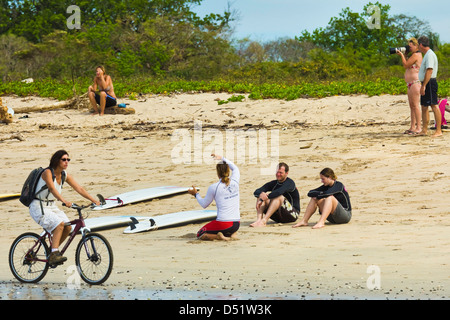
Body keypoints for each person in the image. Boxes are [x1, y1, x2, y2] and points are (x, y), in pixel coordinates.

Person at [29, 150, 100, 265]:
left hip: (51, 206)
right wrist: (64, 201)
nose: (67, 162)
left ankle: (52, 251)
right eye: (64, 159)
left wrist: (93, 200)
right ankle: (54, 253)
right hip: (38, 206)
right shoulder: (47, 172)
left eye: (68, 159)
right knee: (59, 224)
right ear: (57, 161)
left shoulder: (64, 175)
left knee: (68, 228)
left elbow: (79, 188)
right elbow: (52, 189)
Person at [188, 154, 240, 241]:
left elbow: (204, 204)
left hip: (224, 223)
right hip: (236, 224)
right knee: (227, 229)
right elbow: (235, 168)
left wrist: (196, 194)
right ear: (228, 170)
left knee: (200, 234)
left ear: (217, 172)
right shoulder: (235, 181)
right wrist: (223, 158)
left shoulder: (214, 187)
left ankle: (219, 237)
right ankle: (232, 234)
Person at [250, 162, 300, 227]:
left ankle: (264, 221)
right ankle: (259, 220)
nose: (278, 174)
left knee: (278, 197)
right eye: (277, 172)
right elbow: (257, 191)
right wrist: (261, 196)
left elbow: (279, 192)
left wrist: (263, 198)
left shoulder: (290, 183)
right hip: (279, 217)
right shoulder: (274, 183)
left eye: (281, 173)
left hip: (292, 215)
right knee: (261, 194)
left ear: (286, 173)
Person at [396, 38, 423, 135]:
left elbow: (405, 65)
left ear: (416, 46)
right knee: (412, 106)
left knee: (416, 105)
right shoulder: (413, 55)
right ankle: (412, 126)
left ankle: (419, 127)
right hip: (410, 83)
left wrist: (402, 55)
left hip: (415, 82)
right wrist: (406, 55)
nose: (409, 48)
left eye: (411, 46)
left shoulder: (416, 55)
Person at [417, 36, 442, 138]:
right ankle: (424, 130)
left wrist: (424, 86)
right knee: (424, 106)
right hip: (426, 82)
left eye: (418, 44)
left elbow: (429, 70)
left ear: (421, 45)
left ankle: (438, 130)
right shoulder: (426, 55)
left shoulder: (430, 55)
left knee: (434, 105)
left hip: (430, 82)